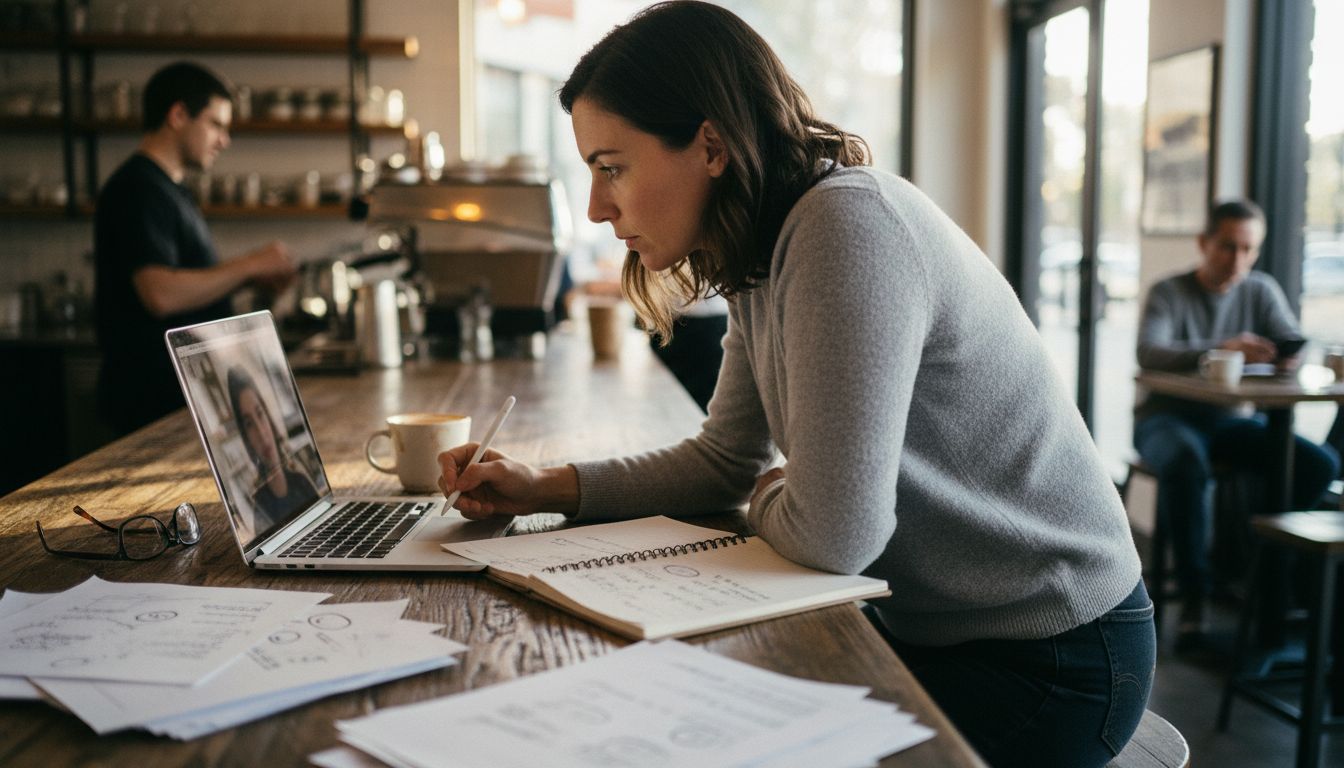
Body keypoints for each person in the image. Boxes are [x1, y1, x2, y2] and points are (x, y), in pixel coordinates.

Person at [437, 4, 1152, 765]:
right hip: (939, 632)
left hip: (1056, 658)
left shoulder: (847, 226)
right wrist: (543, 487)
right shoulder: (763, 250)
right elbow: (727, 462)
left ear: (709, 144)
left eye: (612, 167)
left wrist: (773, 499)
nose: (596, 206)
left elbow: (838, 533)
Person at [1134, 199, 1341, 646]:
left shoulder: (1260, 290)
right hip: (1166, 417)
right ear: (1204, 243)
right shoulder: (1169, 292)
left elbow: (1291, 340)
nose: (1238, 260)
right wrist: (1221, 349)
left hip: (1229, 423)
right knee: (1187, 463)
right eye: (1228, 247)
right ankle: (1195, 599)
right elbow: (1149, 352)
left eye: (1248, 250)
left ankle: (1265, 579)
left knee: (1319, 465)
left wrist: (1288, 357)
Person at [94, 61, 297, 436]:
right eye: (216, 124)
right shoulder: (137, 188)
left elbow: (191, 289)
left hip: (178, 401)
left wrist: (252, 281)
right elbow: (161, 294)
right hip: (145, 407)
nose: (225, 140)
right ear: (177, 114)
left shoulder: (172, 191)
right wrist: (251, 264)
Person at [226, 365, 317, 527]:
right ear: (246, 439)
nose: (261, 432)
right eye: (249, 424)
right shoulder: (260, 511)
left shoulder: (301, 482)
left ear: (268, 416)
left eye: (260, 413)